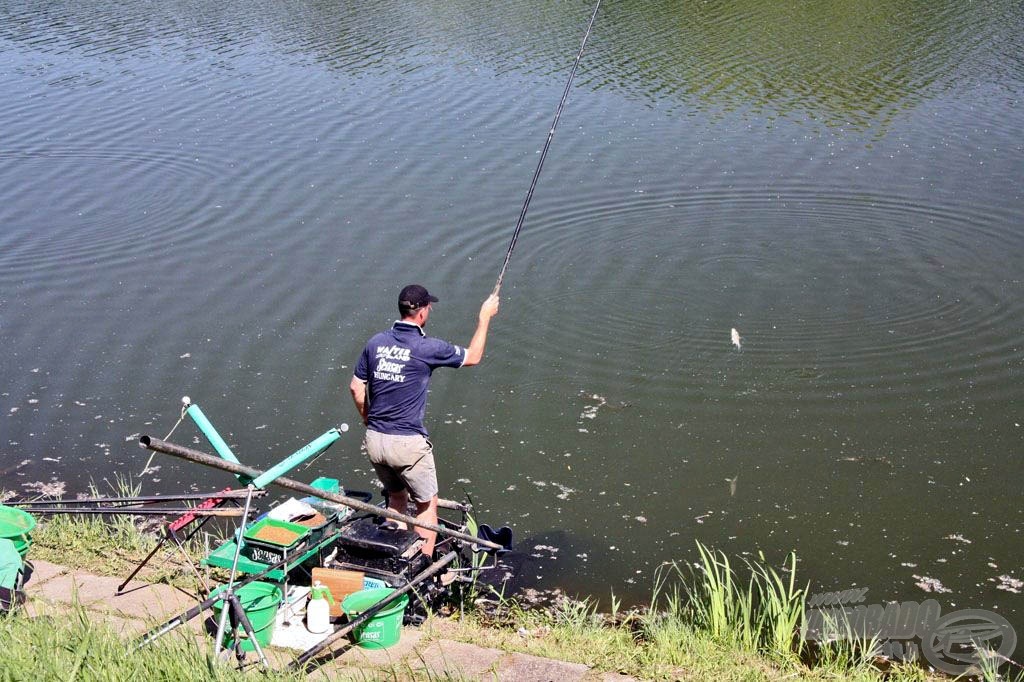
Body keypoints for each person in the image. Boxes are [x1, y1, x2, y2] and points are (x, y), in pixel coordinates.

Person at [350, 284, 500, 555]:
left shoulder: (375, 343)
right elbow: (474, 356)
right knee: (425, 505)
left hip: (375, 440)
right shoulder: (427, 347)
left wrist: (367, 418)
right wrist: (484, 317)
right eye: (429, 306)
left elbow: (356, 387)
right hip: (407, 445)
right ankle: (422, 567)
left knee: (396, 498)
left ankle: (390, 556)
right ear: (422, 313)